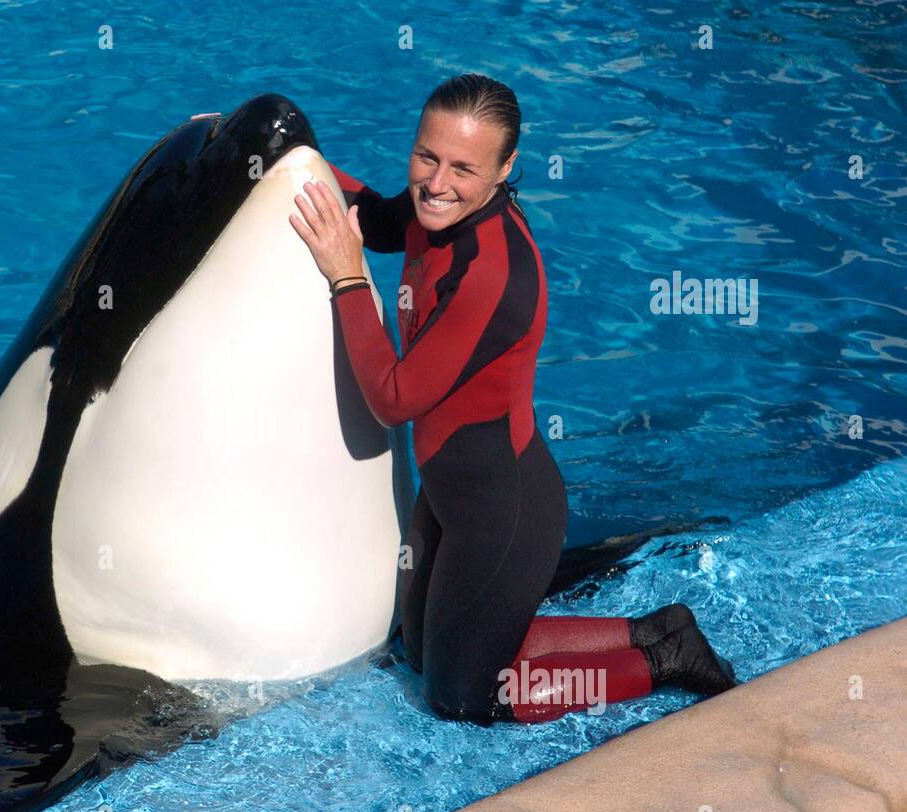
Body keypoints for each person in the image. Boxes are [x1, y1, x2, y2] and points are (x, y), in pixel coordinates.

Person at [289, 73, 738, 725]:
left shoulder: (492, 272)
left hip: (503, 509)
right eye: (427, 157)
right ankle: (656, 628)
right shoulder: (430, 210)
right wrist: (285, 152)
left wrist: (346, 276)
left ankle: (660, 659)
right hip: (450, 490)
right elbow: (376, 220)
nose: (436, 183)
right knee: (420, 652)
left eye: (463, 168)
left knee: (463, 696)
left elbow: (393, 397)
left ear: (504, 170)